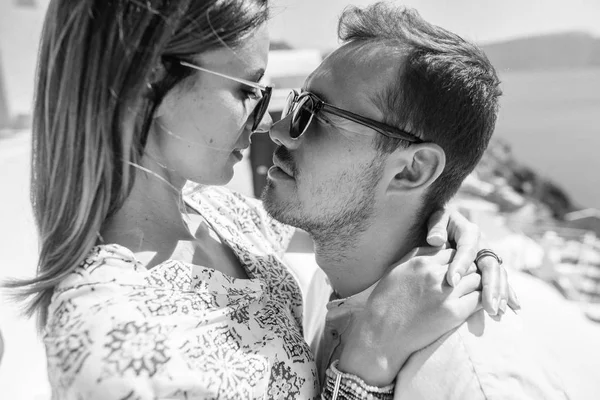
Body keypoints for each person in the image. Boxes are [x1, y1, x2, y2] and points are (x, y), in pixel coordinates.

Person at [4, 1, 515, 399]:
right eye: (247, 90)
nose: (270, 122)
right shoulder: (111, 342)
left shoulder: (216, 214)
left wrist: (445, 224)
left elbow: (355, 213)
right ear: (145, 86)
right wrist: (366, 363)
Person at [263, 3, 568, 398]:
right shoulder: (329, 285)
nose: (280, 131)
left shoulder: (473, 378)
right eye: (298, 104)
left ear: (412, 171)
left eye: (318, 115)